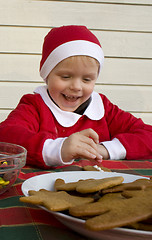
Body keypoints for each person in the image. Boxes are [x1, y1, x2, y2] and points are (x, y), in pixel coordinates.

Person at [0, 25, 152, 169]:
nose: (76, 87)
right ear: (47, 75)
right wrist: (59, 149)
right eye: (66, 77)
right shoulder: (35, 106)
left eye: (87, 79)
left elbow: (148, 135)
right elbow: (6, 136)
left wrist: (104, 149)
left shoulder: (104, 108)